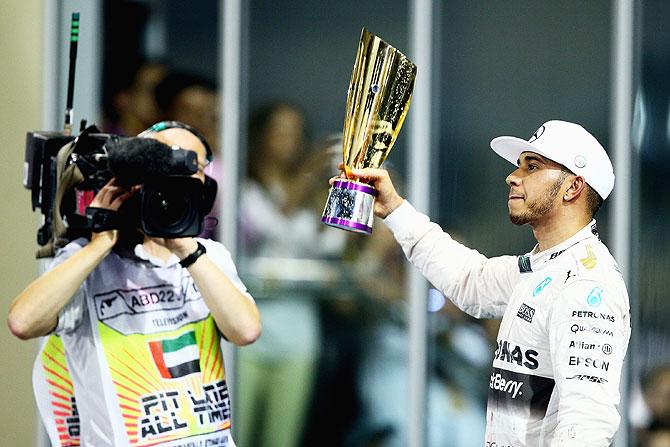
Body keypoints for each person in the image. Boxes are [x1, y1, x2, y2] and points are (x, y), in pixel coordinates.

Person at [338, 120, 631, 446]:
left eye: (531, 167)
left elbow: (587, 421)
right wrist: (395, 208)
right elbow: (468, 279)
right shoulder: (542, 267)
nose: (512, 176)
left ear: (573, 188)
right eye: (518, 166)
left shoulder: (587, 284)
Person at [8, 123, 261, 447]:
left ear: (206, 187)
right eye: (163, 161)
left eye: (190, 166)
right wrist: (99, 244)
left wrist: (185, 249)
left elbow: (246, 331)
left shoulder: (209, 257)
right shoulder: (89, 261)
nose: (175, 175)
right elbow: (23, 321)